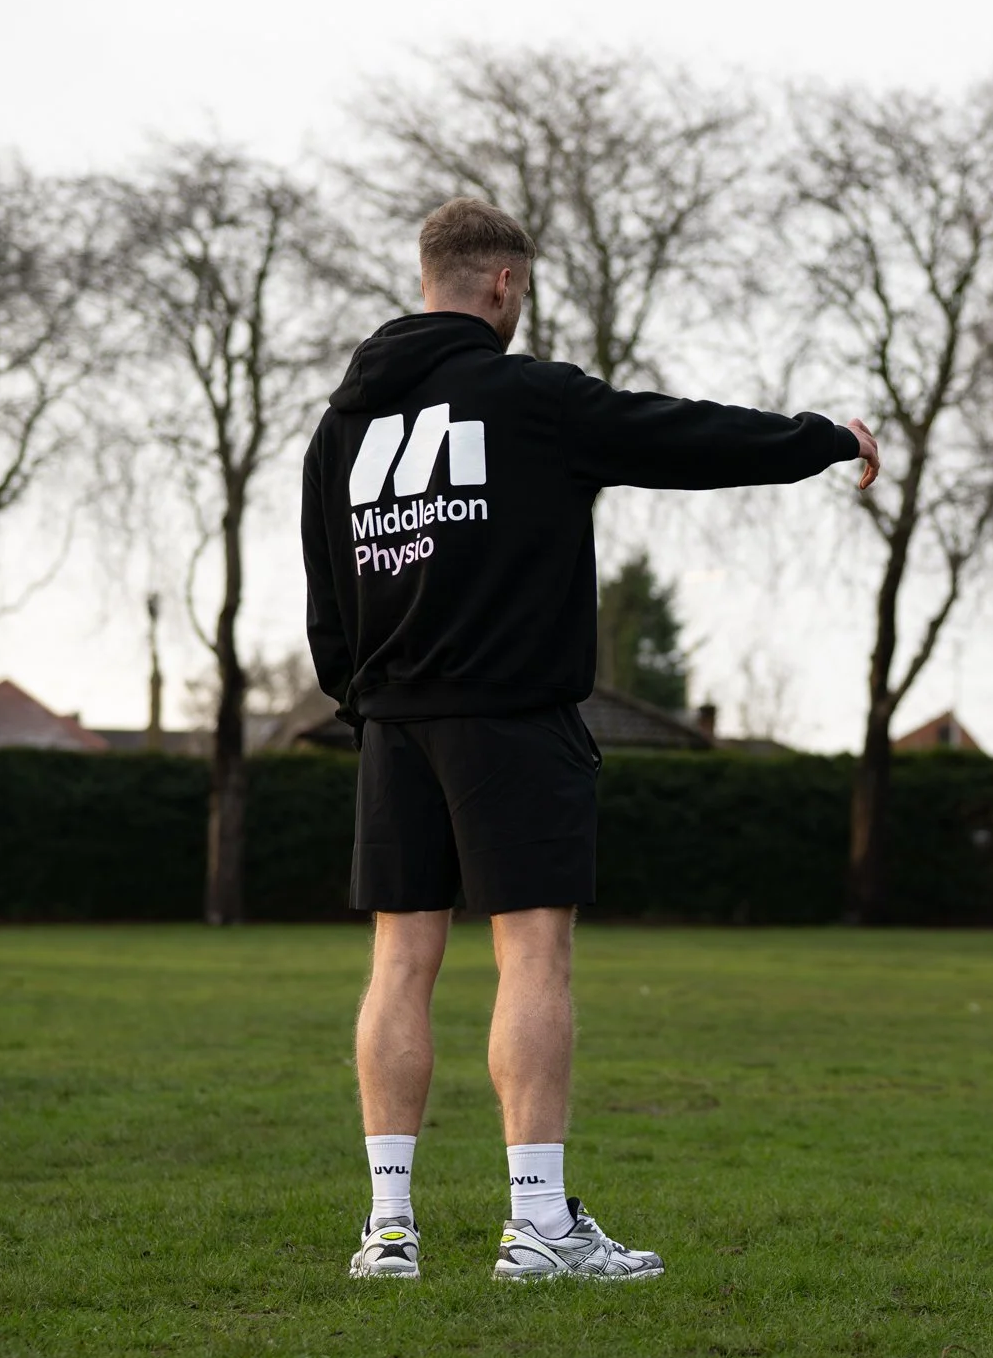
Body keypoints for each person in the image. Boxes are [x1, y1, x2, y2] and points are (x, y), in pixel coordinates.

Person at [301, 197, 879, 1282]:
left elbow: (326, 607)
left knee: (399, 961)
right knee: (533, 954)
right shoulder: (528, 399)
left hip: (393, 725)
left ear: (428, 277)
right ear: (505, 285)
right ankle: (536, 1225)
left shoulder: (340, 427)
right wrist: (822, 440)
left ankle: (388, 1229)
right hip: (512, 720)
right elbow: (683, 435)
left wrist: (372, 705)